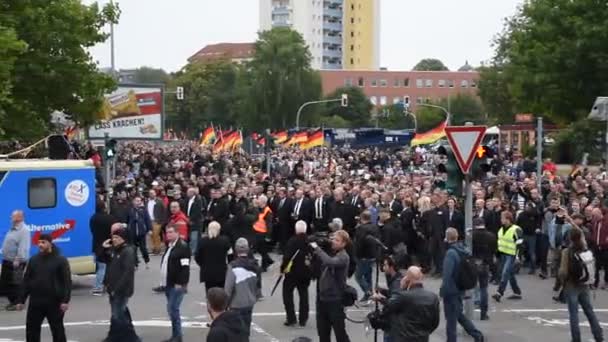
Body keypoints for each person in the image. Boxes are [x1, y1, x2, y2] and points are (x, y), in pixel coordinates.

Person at [17, 234, 71, 342]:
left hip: (54, 301)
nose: (40, 245)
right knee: (32, 330)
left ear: (50, 243)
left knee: (57, 330)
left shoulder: (60, 260)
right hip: (36, 301)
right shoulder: (34, 260)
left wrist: (65, 300)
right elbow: (27, 280)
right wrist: (21, 300)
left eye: (43, 242)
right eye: (39, 242)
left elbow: (66, 282)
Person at [559, 227, 604, 342]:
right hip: (584, 284)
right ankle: (598, 335)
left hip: (571, 285)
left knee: (574, 314)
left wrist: (560, 283)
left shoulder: (567, 252)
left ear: (569, 238)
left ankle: (576, 339)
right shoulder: (585, 250)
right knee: (589, 311)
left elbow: (563, 272)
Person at [440, 228, 484, 342]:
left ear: (447, 238)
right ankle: (477, 335)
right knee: (459, 315)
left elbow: (447, 275)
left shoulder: (450, 253)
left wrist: (443, 291)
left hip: (451, 290)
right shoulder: (463, 249)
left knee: (451, 321)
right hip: (460, 287)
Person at [311, 229, 352, 342]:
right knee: (323, 333)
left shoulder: (343, 256)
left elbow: (330, 262)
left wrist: (317, 248)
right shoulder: (330, 252)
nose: (333, 241)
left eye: (337, 240)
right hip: (323, 298)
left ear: (344, 243)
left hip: (335, 299)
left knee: (340, 333)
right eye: (333, 239)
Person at [382, 266, 440, 342]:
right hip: (422, 338)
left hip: (404, 338)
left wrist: (402, 288)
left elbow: (388, 307)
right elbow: (435, 321)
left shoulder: (403, 296)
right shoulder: (433, 297)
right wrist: (425, 332)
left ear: (408, 279)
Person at [103, 228, 141, 342]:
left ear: (123, 239)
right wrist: (104, 248)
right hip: (112, 288)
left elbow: (127, 272)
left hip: (121, 290)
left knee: (118, 315)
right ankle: (118, 336)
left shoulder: (127, 251)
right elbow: (105, 260)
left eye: (117, 238)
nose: (114, 240)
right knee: (119, 314)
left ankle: (130, 338)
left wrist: (117, 289)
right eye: (113, 237)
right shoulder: (115, 250)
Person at [160, 224, 191, 342]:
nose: (168, 234)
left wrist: (182, 283)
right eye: (167, 232)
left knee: (173, 309)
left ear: (177, 233)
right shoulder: (170, 246)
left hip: (176, 284)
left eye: (171, 232)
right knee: (172, 309)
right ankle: (175, 335)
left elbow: (185, 267)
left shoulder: (182, 247)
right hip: (168, 283)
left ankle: (178, 336)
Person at [224, 238, 261, 337]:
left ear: (236, 250)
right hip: (249, 303)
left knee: (235, 333)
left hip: (236, 304)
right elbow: (258, 286)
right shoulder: (254, 265)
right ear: (248, 249)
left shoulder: (233, 266)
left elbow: (228, 289)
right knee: (246, 331)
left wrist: (225, 304)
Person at [282, 220, 313, 327]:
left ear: (296, 229)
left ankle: (291, 318)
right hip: (305, 272)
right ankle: (303, 318)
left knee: (287, 294)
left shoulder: (292, 241)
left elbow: (287, 257)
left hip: (292, 272)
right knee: (304, 294)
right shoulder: (309, 241)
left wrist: (283, 269)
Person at [0, 210, 30, 311]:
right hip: (7, 260)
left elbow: (23, 246)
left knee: (16, 283)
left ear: (20, 218)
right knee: (5, 283)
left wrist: (18, 259)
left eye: (13, 217)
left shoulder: (24, 230)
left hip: (16, 262)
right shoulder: (13, 228)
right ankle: (13, 301)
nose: (11, 218)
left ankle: (17, 303)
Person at [493, 211, 523, 302]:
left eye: (502, 218)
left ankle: (499, 292)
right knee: (510, 274)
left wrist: (518, 257)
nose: (501, 220)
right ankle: (517, 292)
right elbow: (499, 242)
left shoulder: (516, 229)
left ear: (508, 219)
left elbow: (520, 244)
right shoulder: (501, 229)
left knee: (505, 273)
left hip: (512, 255)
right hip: (503, 254)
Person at [195, 221, 232, 292]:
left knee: (209, 291)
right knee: (221, 292)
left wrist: (202, 264)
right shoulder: (225, 241)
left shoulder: (202, 241)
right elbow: (230, 255)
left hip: (207, 271)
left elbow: (197, 256)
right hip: (221, 271)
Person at [90, 203, 118, 295]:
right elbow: (114, 231)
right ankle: (98, 287)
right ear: (104, 208)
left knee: (100, 267)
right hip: (108, 245)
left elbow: (92, 231)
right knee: (106, 267)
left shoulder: (93, 218)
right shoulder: (110, 218)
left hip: (96, 245)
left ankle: (104, 285)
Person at [472, 218, 497, 320]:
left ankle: (472, 305)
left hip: (474, 262)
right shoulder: (491, 236)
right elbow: (494, 249)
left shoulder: (472, 235)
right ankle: (483, 313)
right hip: (485, 263)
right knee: (484, 288)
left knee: (472, 286)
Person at [354, 210, 380, 302]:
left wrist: (356, 255)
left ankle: (368, 292)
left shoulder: (361, 229)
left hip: (363, 256)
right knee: (368, 275)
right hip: (372, 255)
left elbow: (359, 244)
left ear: (361, 218)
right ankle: (367, 295)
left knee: (358, 276)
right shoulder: (375, 227)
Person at [127, 195, 152, 268]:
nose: (138, 202)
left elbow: (147, 220)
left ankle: (147, 261)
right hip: (132, 232)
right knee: (133, 249)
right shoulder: (130, 210)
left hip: (141, 232)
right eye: (137, 201)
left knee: (143, 248)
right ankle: (135, 264)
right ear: (133, 202)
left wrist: (149, 229)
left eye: (139, 201)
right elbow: (127, 220)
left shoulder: (143, 210)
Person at [252, 195, 274, 271]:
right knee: (260, 249)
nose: (258, 201)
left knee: (263, 250)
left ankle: (265, 266)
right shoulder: (259, 209)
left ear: (263, 202)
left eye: (259, 200)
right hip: (256, 231)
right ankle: (269, 260)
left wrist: (268, 236)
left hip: (263, 233)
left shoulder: (268, 211)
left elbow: (269, 224)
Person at [147, 189, 167, 255]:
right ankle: (154, 248)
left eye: (152, 193)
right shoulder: (147, 201)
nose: (151, 194)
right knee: (151, 235)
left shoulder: (159, 201)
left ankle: (157, 249)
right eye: (150, 193)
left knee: (156, 235)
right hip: (149, 221)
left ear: (155, 193)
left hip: (157, 221)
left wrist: (162, 221)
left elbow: (164, 211)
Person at [186, 187, 204, 253]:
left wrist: (191, 219)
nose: (187, 193)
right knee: (189, 236)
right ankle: (190, 249)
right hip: (187, 219)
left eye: (188, 192)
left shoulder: (198, 200)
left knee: (194, 237)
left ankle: (193, 251)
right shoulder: (187, 200)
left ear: (192, 193)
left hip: (195, 221)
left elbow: (197, 211)